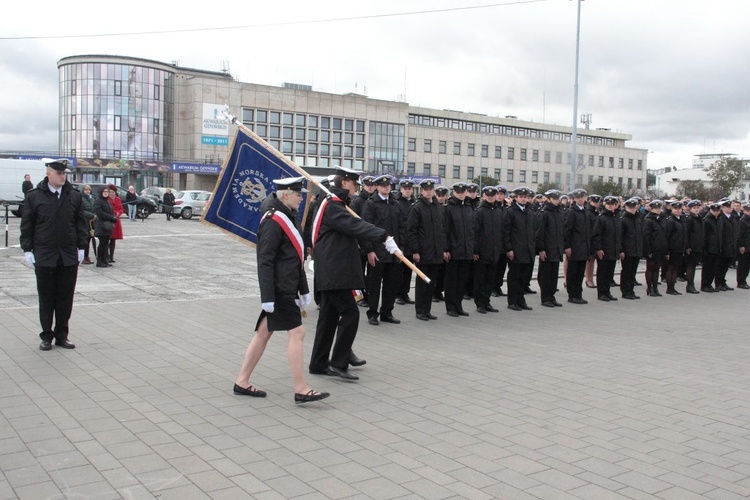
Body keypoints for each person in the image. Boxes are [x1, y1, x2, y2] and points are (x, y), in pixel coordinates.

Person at [233, 177, 329, 404]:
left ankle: (242, 381)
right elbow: (265, 261)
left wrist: (304, 289)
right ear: (286, 194)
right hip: (279, 290)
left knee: (264, 333)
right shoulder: (273, 221)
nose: (301, 198)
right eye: (298, 194)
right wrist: (267, 297)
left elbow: (294, 258)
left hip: (286, 286)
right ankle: (301, 388)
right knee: (297, 333)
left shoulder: (288, 217)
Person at [308, 166, 397, 381]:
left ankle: (318, 363)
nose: (357, 188)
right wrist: (383, 236)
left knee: (328, 317)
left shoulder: (335, 203)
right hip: (335, 270)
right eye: (355, 184)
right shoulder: (332, 205)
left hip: (333, 269)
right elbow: (354, 226)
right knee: (350, 314)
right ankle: (339, 362)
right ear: (344, 182)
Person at [20, 158, 87, 351]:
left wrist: (81, 248)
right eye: (58, 173)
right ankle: (46, 336)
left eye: (64, 173)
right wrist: (27, 250)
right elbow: (27, 226)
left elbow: (80, 224)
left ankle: (62, 335)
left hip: (67, 256)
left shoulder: (73, 196)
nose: (62, 176)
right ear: (48, 174)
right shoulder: (34, 196)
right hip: (45, 255)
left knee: (65, 299)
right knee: (47, 298)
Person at [361, 174, 403, 326]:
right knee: (374, 285)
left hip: (393, 253)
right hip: (377, 252)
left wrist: (401, 248)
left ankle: (387, 312)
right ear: (377, 187)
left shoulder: (395, 204)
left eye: (388, 185)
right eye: (383, 185)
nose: (386, 187)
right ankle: (373, 313)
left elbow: (402, 228)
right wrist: (369, 250)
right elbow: (365, 229)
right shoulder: (371, 204)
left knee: (391, 285)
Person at [407, 179, 448, 321]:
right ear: (422, 191)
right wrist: (415, 250)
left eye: (431, 189)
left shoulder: (438, 207)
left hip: (436, 251)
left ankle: (427, 309)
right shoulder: (417, 207)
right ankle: (420, 310)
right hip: (423, 251)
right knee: (422, 282)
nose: (429, 191)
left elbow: (442, 231)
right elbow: (411, 231)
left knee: (431, 282)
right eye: (426, 189)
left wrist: (442, 249)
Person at [443, 182, 473, 317]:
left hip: (466, 250)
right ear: (454, 192)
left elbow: (472, 230)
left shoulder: (468, 207)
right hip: (453, 250)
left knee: (462, 280)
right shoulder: (448, 208)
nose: (461, 194)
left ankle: (458, 305)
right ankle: (450, 306)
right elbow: (445, 230)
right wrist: (446, 249)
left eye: (463, 192)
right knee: (451, 280)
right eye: (458, 192)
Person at [503, 186, 535, 311]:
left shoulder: (529, 211)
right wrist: (509, 249)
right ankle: (512, 301)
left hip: (527, 250)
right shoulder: (510, 212)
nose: (523, 199)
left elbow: (532, 232)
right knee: (514, 277)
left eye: (525, 197)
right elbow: (506, 232)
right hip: (515, 250)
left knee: (523, 277)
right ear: (516, 198)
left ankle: (521, 300)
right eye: (521, 197)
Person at [473, 186, 504, 313]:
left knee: (490, 279)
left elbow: (500, 232)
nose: (490, 197)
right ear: (484, 196)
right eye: (488, 195)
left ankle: (487, 302)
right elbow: (475, 232)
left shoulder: (498, 212)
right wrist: (475, 251)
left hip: (494, 251)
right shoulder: (479, 212)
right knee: (480, 279)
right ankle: (480, 303)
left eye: (492, 195)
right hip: (482, 252)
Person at [535, 189, 565, 307]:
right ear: (548, 199)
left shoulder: (558, 212)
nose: (556, 201)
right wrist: (541, 249)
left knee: (554, 275)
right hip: (547, 249)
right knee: (546, 275)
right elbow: (540, 233)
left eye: (557, 198)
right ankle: (545, 298)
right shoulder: (544, 213)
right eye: (554, 199)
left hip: (556, 248)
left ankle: (551, 296)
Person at [592, 196, 622, 301]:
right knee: (602, 273)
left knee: (610, 273)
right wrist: (599, 249)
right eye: (608, 204)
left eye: (612, 204)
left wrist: (620, 249)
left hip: (613, 249)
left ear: (615, 205)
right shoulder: (601, 218)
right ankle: (601, 293)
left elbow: (619, 235)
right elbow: (597, 235)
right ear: (605, 205)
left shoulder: (617, 218)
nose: (610, 206)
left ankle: (607, 291)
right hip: (604, 250)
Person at [564, 189, 592, 304]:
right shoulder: (572, 212)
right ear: (574, 199)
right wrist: (567, 246)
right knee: (573, 272)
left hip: (584, 247)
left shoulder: (585, 211)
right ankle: (572, 295)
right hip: (575, 247)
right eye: (578, 197)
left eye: (582, 197)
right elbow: (567, 230)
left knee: (580, 273)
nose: (580, 199)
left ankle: (578, 294)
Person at [394, 178, 416, 305]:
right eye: (405, 188)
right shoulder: (397, 203)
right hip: (400, 241)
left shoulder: (414, 203)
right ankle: (397, 294)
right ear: (401, 189)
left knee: (408, 270)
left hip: (410, 242)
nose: (407, 191)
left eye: (409, 188)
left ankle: (405, 293)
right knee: (398, 270)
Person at [619, 198, 644, 299]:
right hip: (627, 250)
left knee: (632, 272)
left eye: (634, 207)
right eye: (630, 208)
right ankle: (625, 291)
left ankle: (631, 290)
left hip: (636, 249)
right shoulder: (623, 220)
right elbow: (620, 236)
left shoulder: (637, 219)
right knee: (627, 271)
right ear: (625, 207)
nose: (632, 209)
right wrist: (621, 250)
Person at [643, 200, 668, 297]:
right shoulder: (648, 220)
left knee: (657, 268)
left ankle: (655, 287)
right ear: (651, 209)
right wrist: (648, 250)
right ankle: (649, 288)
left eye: (659, 208)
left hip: (660, 248)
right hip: (652, 249)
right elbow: (646, 236)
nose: (658, 210)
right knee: (650, 268)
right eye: (655, 208)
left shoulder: (661, 219)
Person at [664, 200, 687, 295]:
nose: (678, 210)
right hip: (672, 248)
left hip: (679, 248)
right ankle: (670, 288)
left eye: (679, 209)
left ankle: (672, 287)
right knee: (671, 268)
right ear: (672, 209)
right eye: (675, 209)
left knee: (675, 268)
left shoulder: (681, 219)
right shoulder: (670, 220)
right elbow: (667, 236)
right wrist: (667, 251)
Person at [701, 202, 723, 293]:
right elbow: (704, 236)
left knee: (714, 267)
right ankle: (705, 285)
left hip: (717, 248)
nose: (716, 212)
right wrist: (705, 248)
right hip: (709, 248)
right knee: (707, 268)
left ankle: (709, 284)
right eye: (714, 210)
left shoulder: (719, 220)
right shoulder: (706, 220)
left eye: (718, 211)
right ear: (710, 210)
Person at [94, 188, 118, 268]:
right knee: (102, 243)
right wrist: (111, 218)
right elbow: (99, 212)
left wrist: (113, 217)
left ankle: (104, 259)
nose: (106, 193)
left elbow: (110, 211)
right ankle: (100, 260)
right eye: (104, 191)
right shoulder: (98, 201)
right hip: (101, 225)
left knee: (106, 244)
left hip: (108, 225)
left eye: (107, 191)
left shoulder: (107, 201)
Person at [106, 185, 124, 262]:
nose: (111, 194)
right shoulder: (106, 200)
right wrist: (113, 213)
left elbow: (121, 209)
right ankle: (106, 256)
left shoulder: (118, 199)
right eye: (110, 192)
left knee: (113, 240)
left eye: (113, 192)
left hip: (116, 221)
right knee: (107, 239)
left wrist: (118, 213)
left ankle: (111, 256)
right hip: (109, 220)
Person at [81, 184, 96, 264]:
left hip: (91, 222)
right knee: (85, 239)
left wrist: (94, 214)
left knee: (90, 238)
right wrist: (90, 215)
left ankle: (87, 256)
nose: (87, 191)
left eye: (89, 190)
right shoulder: (81, 199)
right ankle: (82, 257)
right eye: (86, 190)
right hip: (84, 221)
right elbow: (81, 210)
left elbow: (94, 208)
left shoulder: (91, 199)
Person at [736, 203, 750, 289]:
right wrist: (741, 245)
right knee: (743, 265)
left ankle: (744, 280)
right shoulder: (742, 221)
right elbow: (739, 235)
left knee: (747, 266)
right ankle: (740, 281)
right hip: (745, 246)